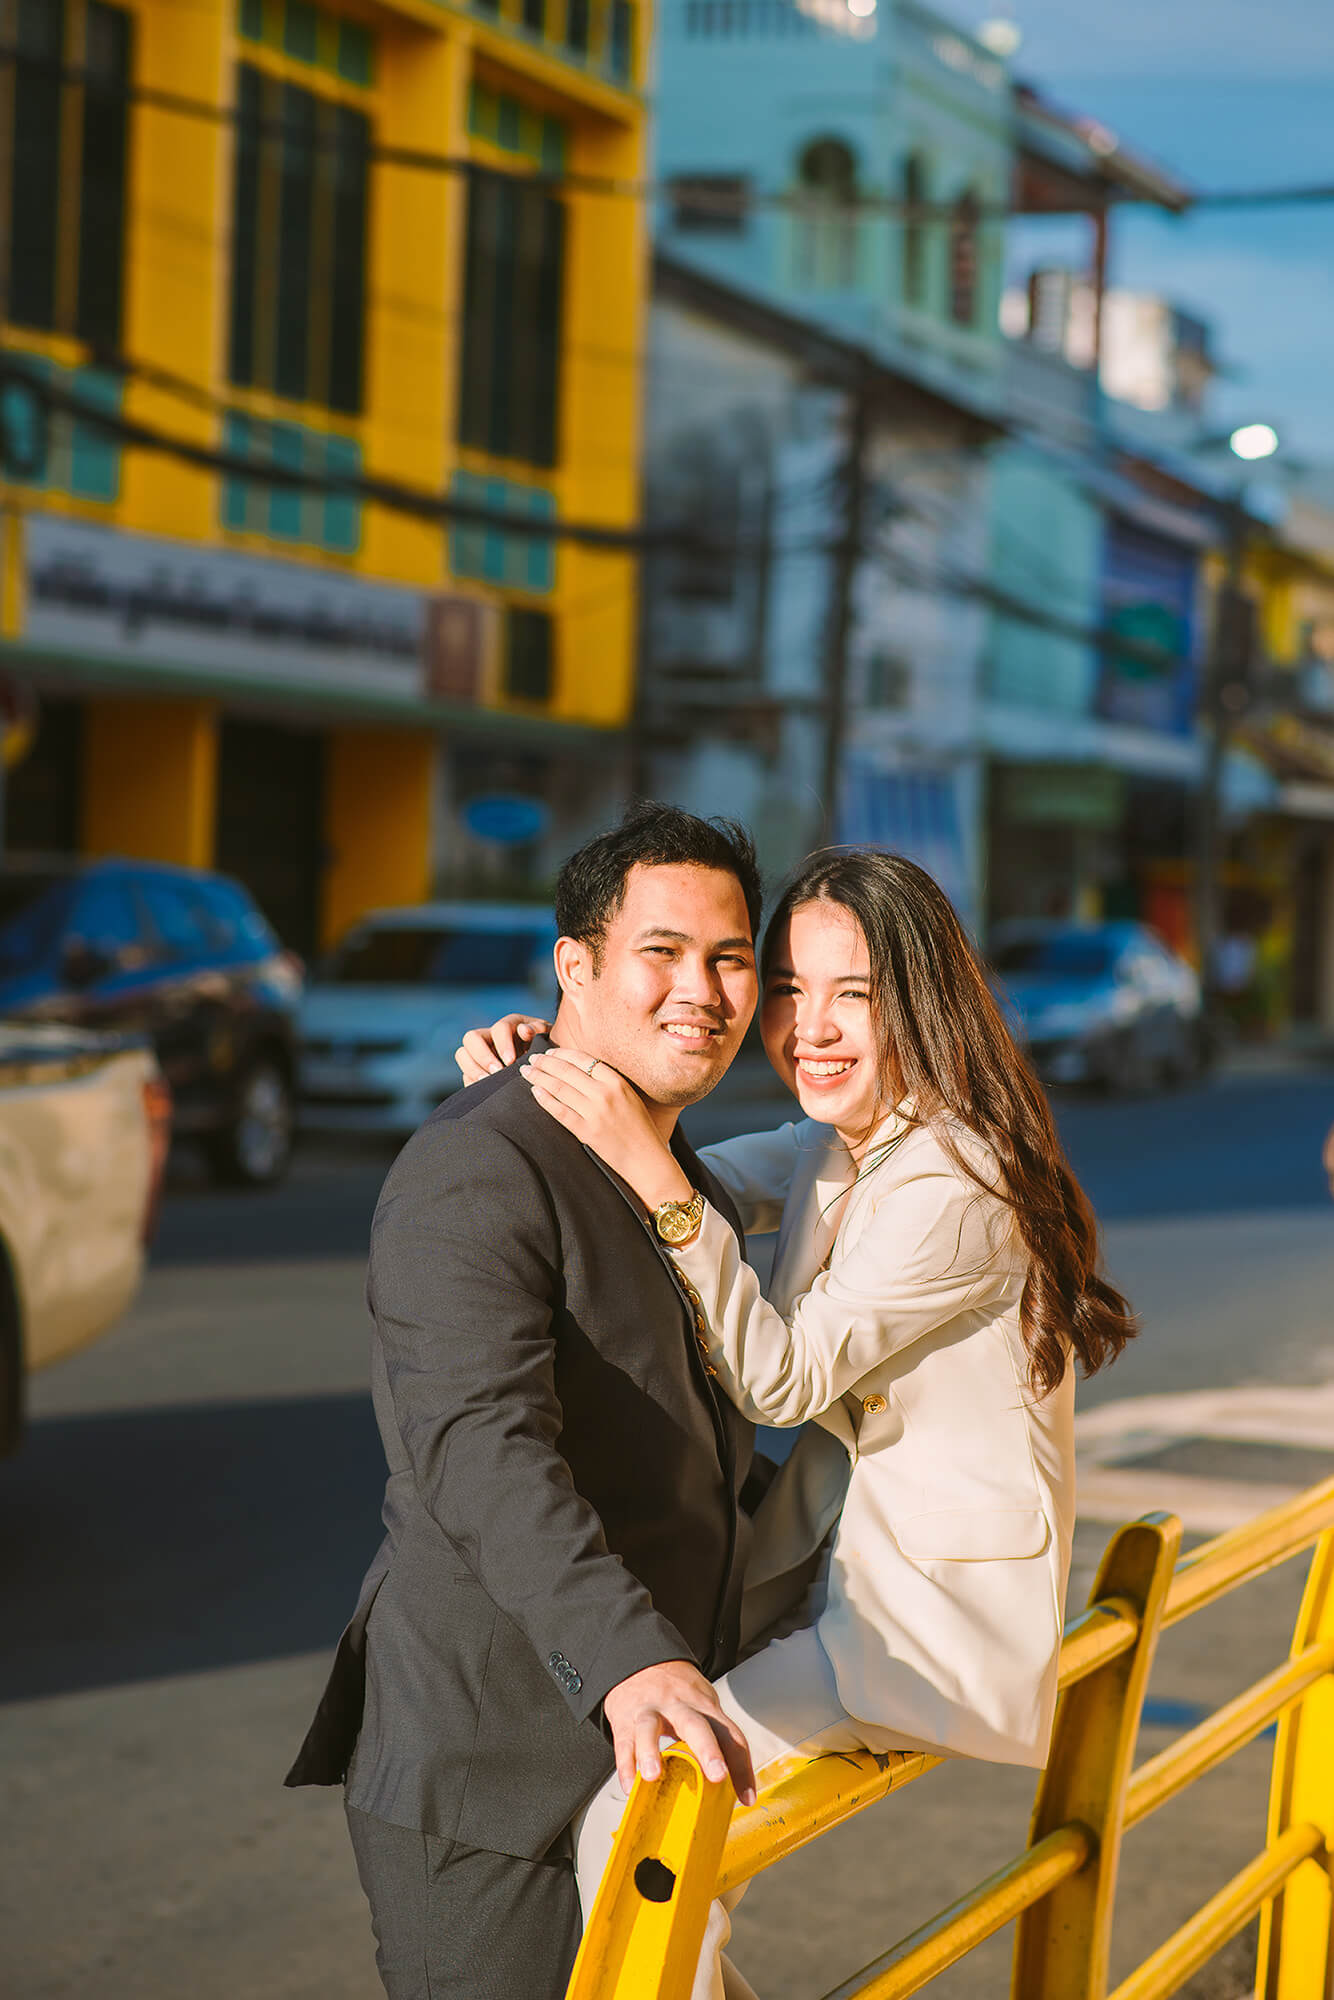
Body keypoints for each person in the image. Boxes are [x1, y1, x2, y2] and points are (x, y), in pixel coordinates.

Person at [460, 846, 1138, 2000]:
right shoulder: (847, 1134)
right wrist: (558, 1066)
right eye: (785, 988)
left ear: (919, 1000)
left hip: (917, 1624)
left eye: (853, 994)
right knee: (680, 1858)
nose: (805, 1026)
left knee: (641, 1817)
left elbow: (775, 1376)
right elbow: (684, 1183)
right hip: (834, 1584)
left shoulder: (955, 1178)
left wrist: (647, 1166)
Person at [285, 803, 771, 2000]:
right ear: (575, 965)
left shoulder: (666, 1167)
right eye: (660, 951)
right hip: (496, 1767)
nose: (699, 989)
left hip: (644, 1744)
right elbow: (478, 1446)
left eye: (729, 957)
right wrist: (628, 1662)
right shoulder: (476, 1163)